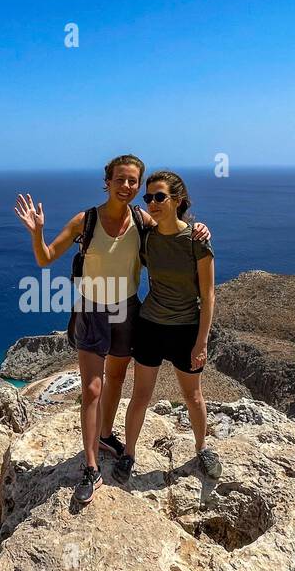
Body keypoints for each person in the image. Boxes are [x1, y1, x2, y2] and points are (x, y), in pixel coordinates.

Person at [13, 155, 210, 503]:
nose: (128, 187)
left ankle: (105, 434)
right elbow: (45, 258)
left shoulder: (141, 219)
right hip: (91, 308)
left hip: (128, 309)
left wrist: (198, 228)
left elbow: (171, 229)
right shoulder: (85, 220)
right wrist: (38, 232)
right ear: (107, 182)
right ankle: (90, 467)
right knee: (92, 388)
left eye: (134, 182)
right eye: (120, 179)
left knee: (117, 379)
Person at [116, 169, 221, 483]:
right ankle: (128, 453)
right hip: (150, 326)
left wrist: (201, 341)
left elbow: (209, 294)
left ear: (179, 200)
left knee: (194, 397)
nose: (152, 203)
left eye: (159, 197)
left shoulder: (195, 240)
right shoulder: (147, 239)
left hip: (185, 329)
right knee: (140, 396)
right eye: (149, 197)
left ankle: (203, 449)